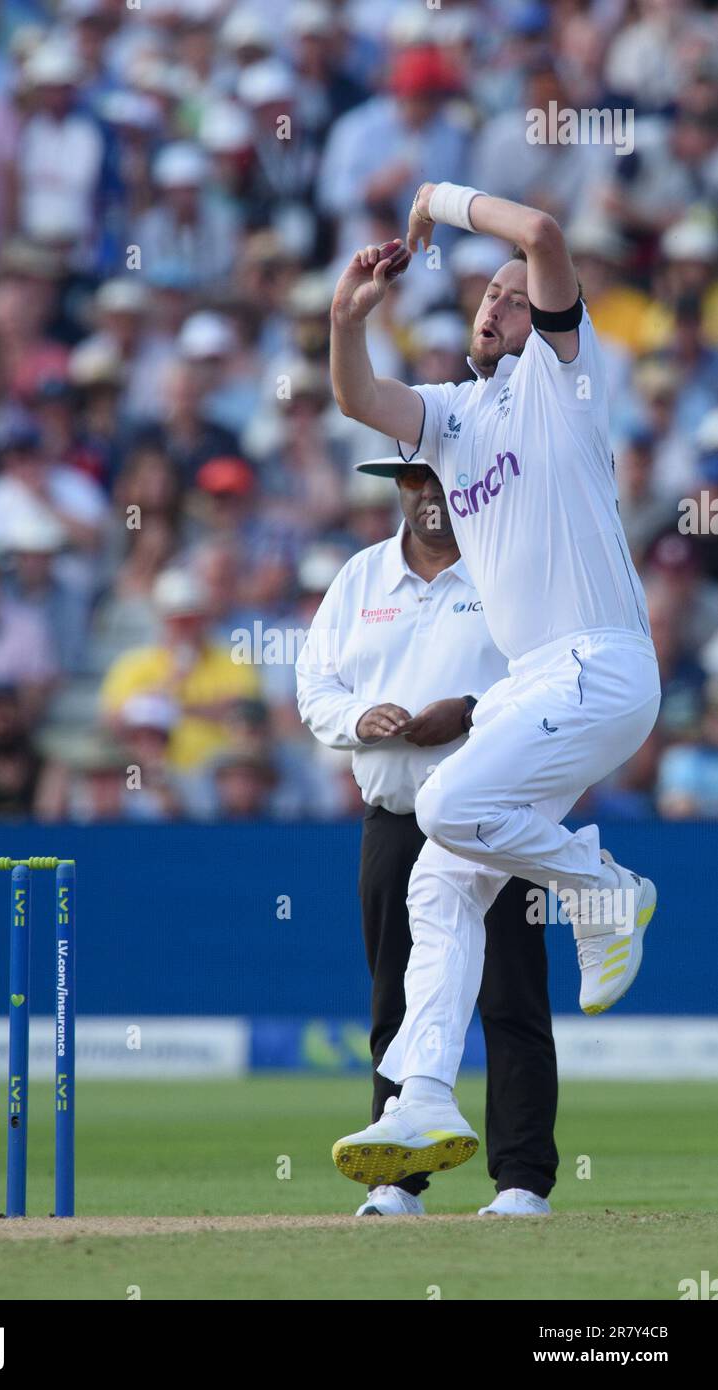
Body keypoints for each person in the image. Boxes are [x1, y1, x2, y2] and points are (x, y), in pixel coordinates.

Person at [327, 182, 661, 1191]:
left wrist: (436, 198)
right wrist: (343, 324)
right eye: (485, 295)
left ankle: (603, 889)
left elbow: (545, 232)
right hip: (534, 682)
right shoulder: (451, 418)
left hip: (602, 660)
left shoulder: (564, 381)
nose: (495, 303)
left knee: (447, 802)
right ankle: (420, 1096)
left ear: (551, 321)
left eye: (514, 297)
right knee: (438, 874)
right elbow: (357, 399)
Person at [296, 457, 556, 1218]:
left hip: (494, 815)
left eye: (441, 481)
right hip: (394, 815)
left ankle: (520, 1183)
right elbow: (315, 685)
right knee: (394, 999)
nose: (428, 496)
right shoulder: (360, 577)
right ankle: (393, 1179)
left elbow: (549, 681)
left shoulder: (506, 569)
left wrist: (470, 711)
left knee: (509, 997)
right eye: (413, 481)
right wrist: (359, 718)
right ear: (397, 489)